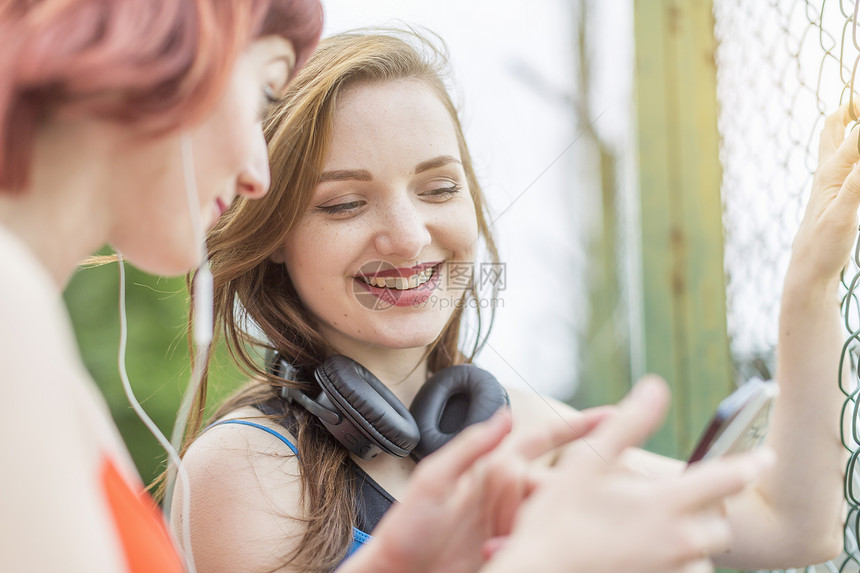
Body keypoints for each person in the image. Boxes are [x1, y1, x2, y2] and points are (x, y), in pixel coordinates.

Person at [0, 2, 769, 573]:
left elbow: (791, 515)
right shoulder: (13, 317)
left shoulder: (33, 332)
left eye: (440, 188)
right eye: (266, 93)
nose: (257, 173)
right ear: (164, 49)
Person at [173, 28, 852, 572]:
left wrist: (810, 284)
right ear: (276, 235)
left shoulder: (522, 432)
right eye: (345, 202)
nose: (410, 238)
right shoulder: (246, 469)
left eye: (439, 188)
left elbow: (792, 523)